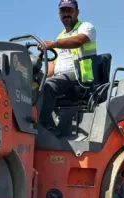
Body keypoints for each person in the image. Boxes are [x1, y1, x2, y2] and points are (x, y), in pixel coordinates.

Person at [37, 0, 98, 135]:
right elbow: (52, 67)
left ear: (77, 12)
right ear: (59, 14)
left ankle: (47, 128)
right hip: (63, 78)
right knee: (37, 84)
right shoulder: (60, 37)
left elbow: (78, 41)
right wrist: (36, 76)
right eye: (63, 11)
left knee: (48, 86)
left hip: (80, 76)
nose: (66, 14)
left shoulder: (86, 27)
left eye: (69, 10)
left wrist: (53, 44)